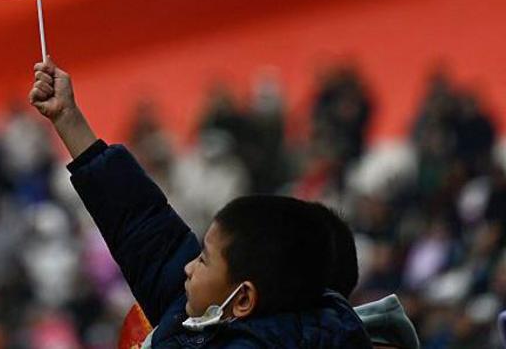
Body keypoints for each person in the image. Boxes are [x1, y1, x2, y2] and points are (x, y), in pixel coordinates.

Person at [29, 58, 371, 348]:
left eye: (205, 260)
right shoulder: (195, 310)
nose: (188, 266)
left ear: (243, 299)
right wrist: (68, 118)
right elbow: (142, 226)